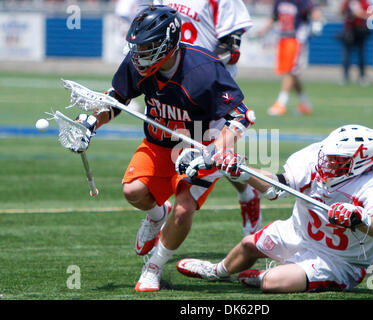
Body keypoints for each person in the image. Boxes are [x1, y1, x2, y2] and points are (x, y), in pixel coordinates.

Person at [73, 5, 256, 292]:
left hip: (199, 143)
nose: (140, 54)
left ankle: (153, 268)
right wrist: (91, 122)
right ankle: (157, 215)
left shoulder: (203, 69)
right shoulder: (137, 64)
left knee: (183, 210)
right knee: (133, 191)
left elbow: (242, 116)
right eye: (138, 47)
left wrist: (214, 151)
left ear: (168, 43)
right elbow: (117, 99)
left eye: (148, 47)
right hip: (159, 142)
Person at [177, 124, 373, 293]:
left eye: (337, 160)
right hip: (298, 232)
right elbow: (276, 188)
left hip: (338, 260)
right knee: (248, 244)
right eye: (327, 156)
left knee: (269, 283)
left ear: (361, 162)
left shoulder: (372, 182)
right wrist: (243, 172)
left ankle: (267, 275)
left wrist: (360, 218)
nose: (326, 163)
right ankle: (217, 271)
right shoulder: (314, 155)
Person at [153, 0, 261, 236]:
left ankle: (247, 193)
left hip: (207, 88)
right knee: (167, 144)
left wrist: (194, 68)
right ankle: (157, 212)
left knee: (212, 153)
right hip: (170, 85)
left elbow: (230, 48)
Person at [257, 0, 322, 116]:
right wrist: (264, 29)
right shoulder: (280, 2)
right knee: (292, 73)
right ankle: (305, 104)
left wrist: (315, 17)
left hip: (297, 38)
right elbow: (275, 17)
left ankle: (281, 103)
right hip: (284, 38)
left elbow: (314, 11)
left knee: (290, 71)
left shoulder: (300, 2)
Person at [339, 0, 371, 85]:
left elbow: (370, 14)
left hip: (360, 29)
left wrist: (359, 13)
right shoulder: (348, 2)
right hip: (349, 30)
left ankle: (362, 76)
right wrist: (348, 13)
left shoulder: (363, 2)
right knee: (346, 54)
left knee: (361, 55)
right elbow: (341, 13)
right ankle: (346, 76)